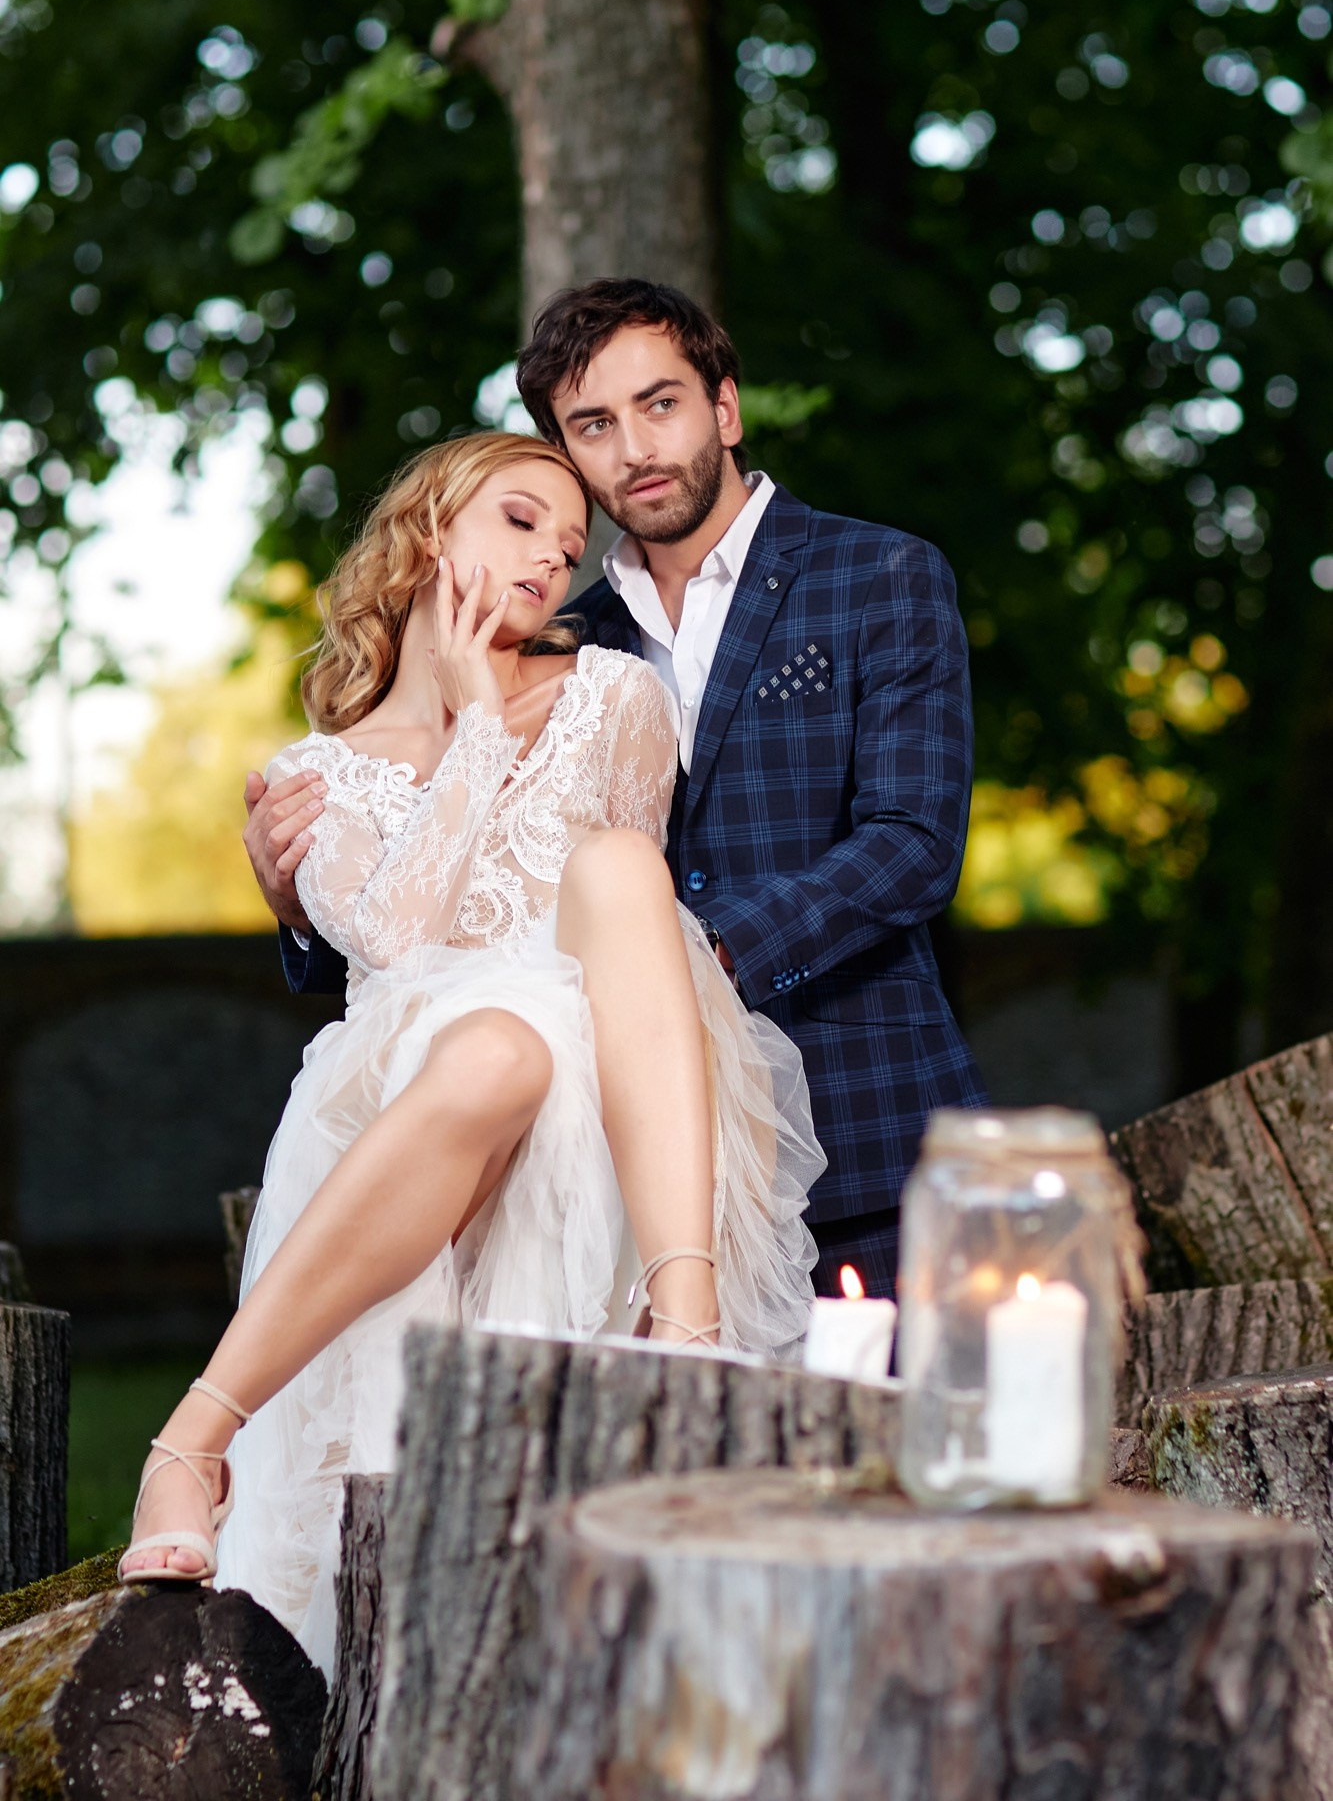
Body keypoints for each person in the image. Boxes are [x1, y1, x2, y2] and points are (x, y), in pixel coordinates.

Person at [118, 430, 821, 1676]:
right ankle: (190, 1441)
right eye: (519, 519)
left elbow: (635, 933)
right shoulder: (315, 775)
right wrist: (478, 724)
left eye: (571, 542)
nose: (553, 558)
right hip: (421, 1107)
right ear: (432, 527)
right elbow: (397, 939)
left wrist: (503, 713)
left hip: (614, 1117)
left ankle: (686, 1327)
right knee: (492, 1045)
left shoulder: (615, 697)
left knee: (610, 878)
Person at [248, 282, 987, 1297]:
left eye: (660, 403)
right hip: (609, 1179)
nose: (634, 448)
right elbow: (455, 901)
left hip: (863, 1129)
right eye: (593, 424)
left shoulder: (877, 574)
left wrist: (691, 954)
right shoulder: (561, 638)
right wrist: (299, 910)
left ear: (723, 407)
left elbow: (911, 842)